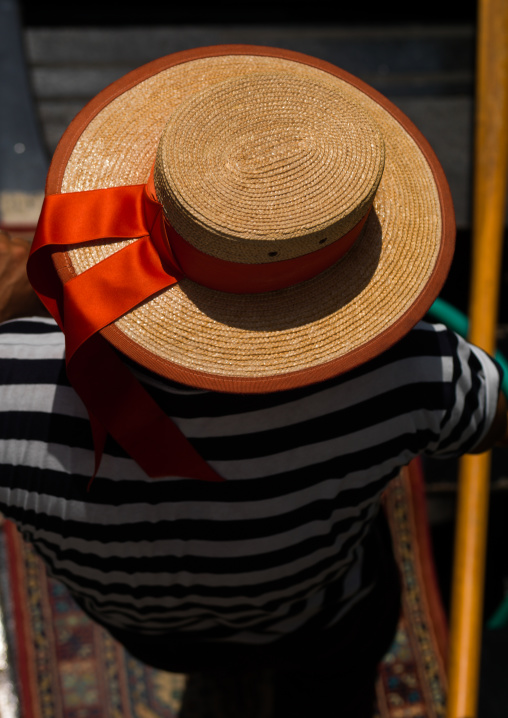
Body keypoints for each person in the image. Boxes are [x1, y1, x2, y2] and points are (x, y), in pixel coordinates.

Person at [0, 45, 506, 718]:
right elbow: (494, 416)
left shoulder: (8, 388)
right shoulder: (416, 370)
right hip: (319, 618)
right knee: (337, 668)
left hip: (148, 633)